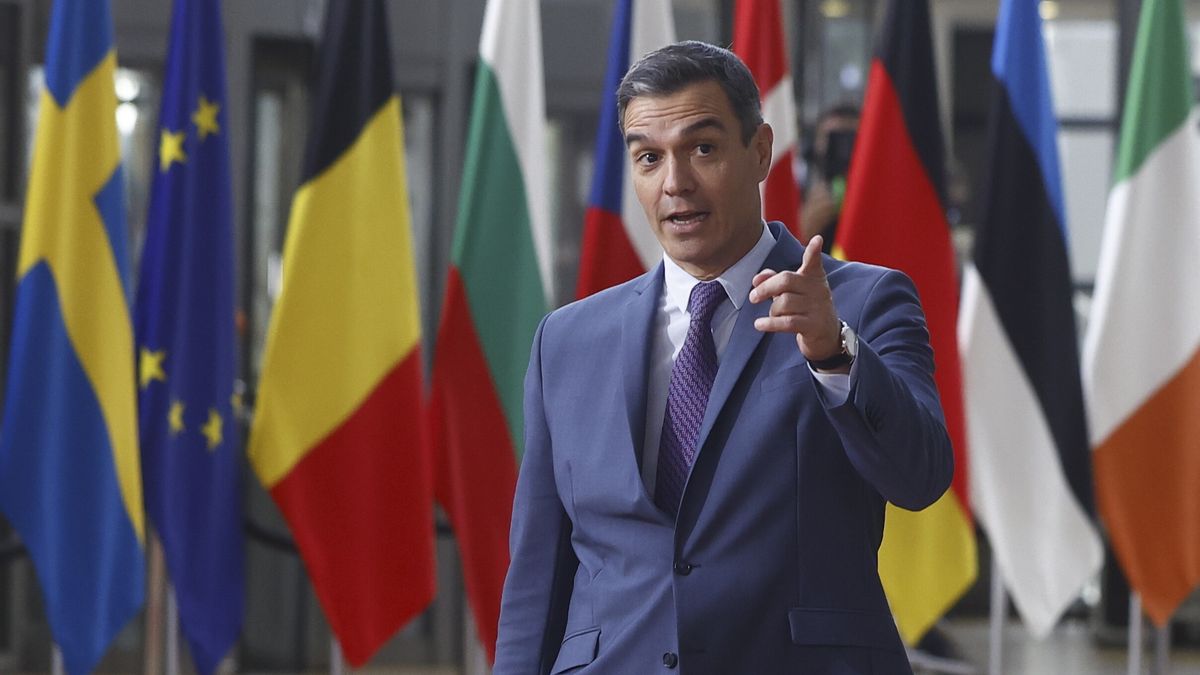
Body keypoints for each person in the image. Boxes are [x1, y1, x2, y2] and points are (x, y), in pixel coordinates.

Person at [494, 41, 952, 675]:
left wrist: (834, 350)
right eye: (648, 158)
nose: (675, 182)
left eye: (703, 148)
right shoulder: (567, 341)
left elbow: (921, 474)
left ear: (760, 151)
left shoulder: (863, 301)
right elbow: (538, 576)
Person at [800, 103, 859, 252]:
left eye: (850, 139)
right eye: (832, 139)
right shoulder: (796, 195)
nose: (842, 148)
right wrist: (802, 233)